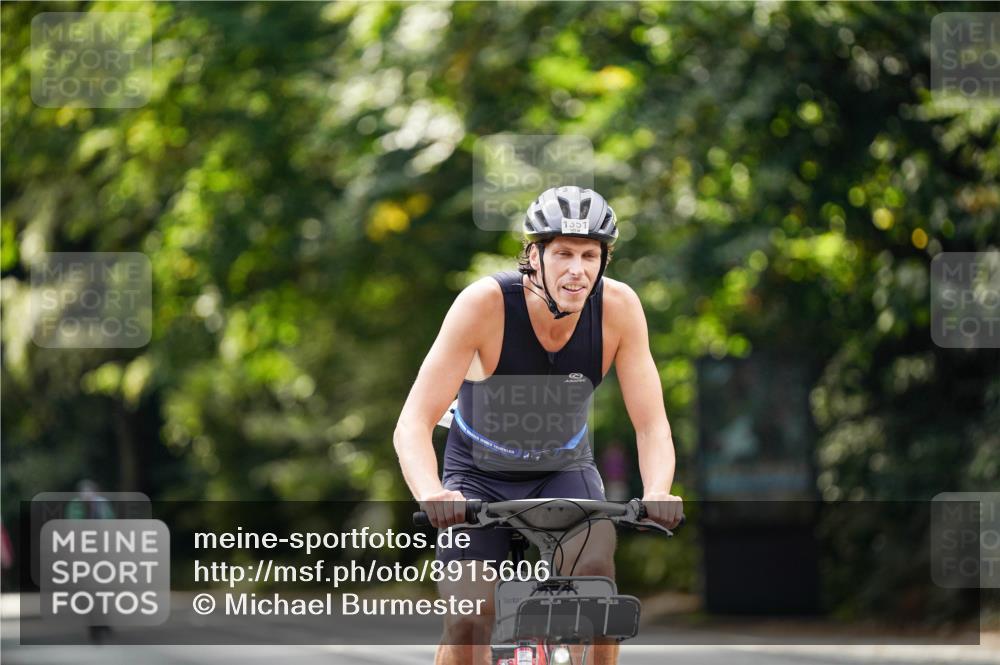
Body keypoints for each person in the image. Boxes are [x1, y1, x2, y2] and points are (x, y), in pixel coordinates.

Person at [394, 185, 683, 665]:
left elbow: (652, 425)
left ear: (604, 261)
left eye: (590, 255)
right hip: (475, 478)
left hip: (563, 472)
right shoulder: (484, 305)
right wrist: (433, 493)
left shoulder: (619, 309)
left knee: (597, 589)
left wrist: (657, 490)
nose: (577, 269)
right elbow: (412, 423)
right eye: (564, 253)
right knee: (469, 619)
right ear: (534, 255)